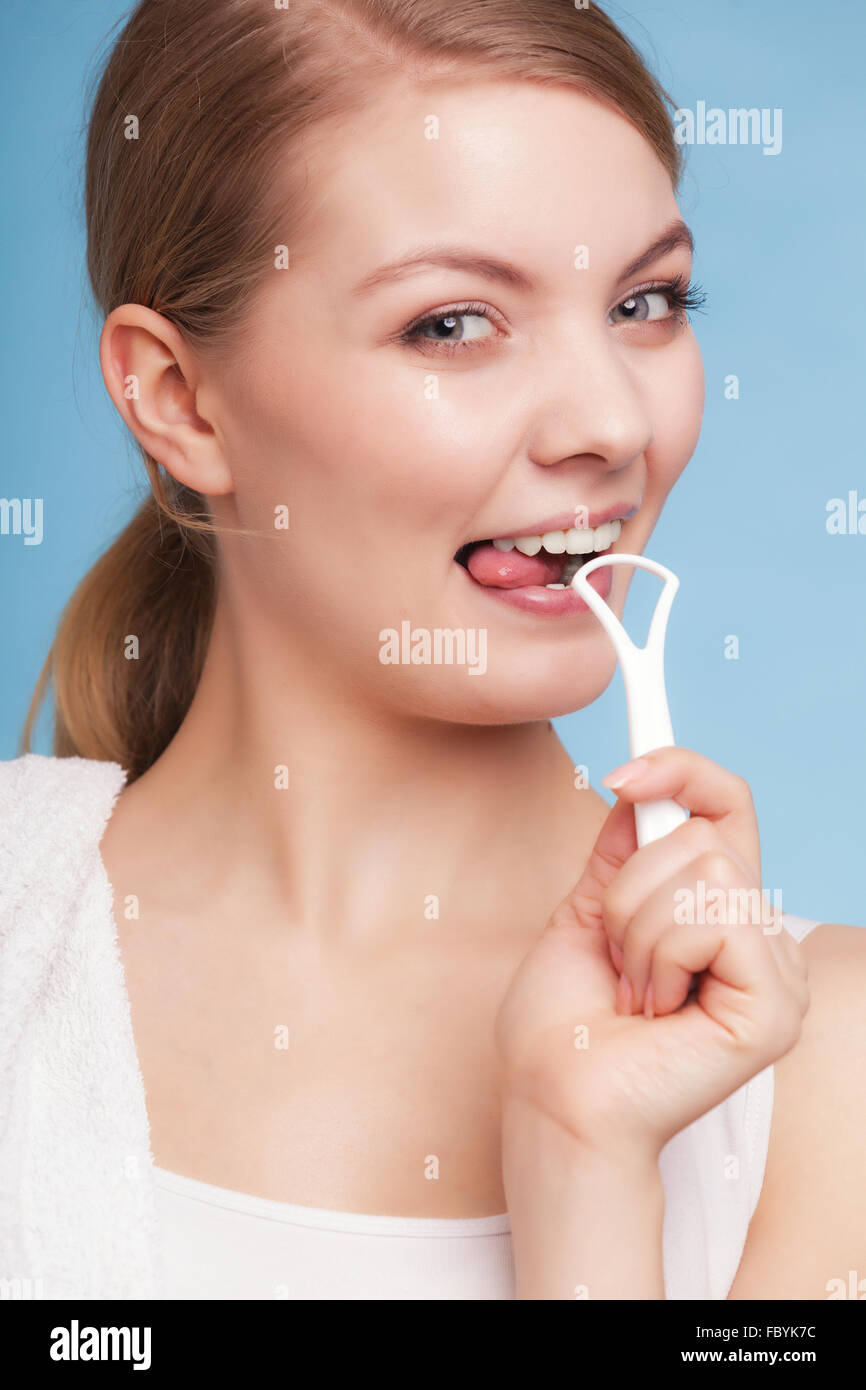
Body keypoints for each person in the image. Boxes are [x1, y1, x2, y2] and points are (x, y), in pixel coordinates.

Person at [2, 0, 864, 1301]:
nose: (607, 421)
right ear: (177, 399)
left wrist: (582, 1165)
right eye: (452, 323)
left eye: (645, 301)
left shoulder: (823, 1066)